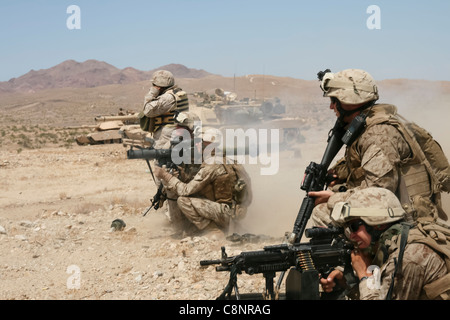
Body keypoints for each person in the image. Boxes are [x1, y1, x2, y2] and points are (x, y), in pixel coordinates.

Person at [310, 68, 448, 227]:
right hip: (396, 207)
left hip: (406, 218)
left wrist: (333, 198)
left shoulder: (377, 134)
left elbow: (379, 191)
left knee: (322, 212)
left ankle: (362, 250)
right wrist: (339, 176)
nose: (331, 107)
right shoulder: (369, 124)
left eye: (334, 101)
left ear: (348, 101)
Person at [320, 187, 450, 300]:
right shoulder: (397, 242)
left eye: (354, 226)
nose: (352, 235)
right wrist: (346, 281)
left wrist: (365, 276)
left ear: (378, 224)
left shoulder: (409, 258)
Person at [154, 126, 252, 239]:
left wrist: (166, 176)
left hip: (224, 214)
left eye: (199, 142)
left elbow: (185, 191)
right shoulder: (231, 161)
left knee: (184, 200)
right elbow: (248, 194)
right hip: (236, 213)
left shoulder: (211, 165)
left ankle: (213, 230)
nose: (196, 145)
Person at [139, 70, 189, 149]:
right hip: (175, 135)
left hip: (166, 139)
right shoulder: (177, 93)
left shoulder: (167, 97)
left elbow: (147, 111)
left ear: (158, 87)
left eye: (154, 85)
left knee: (162, 160)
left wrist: (152, 92)